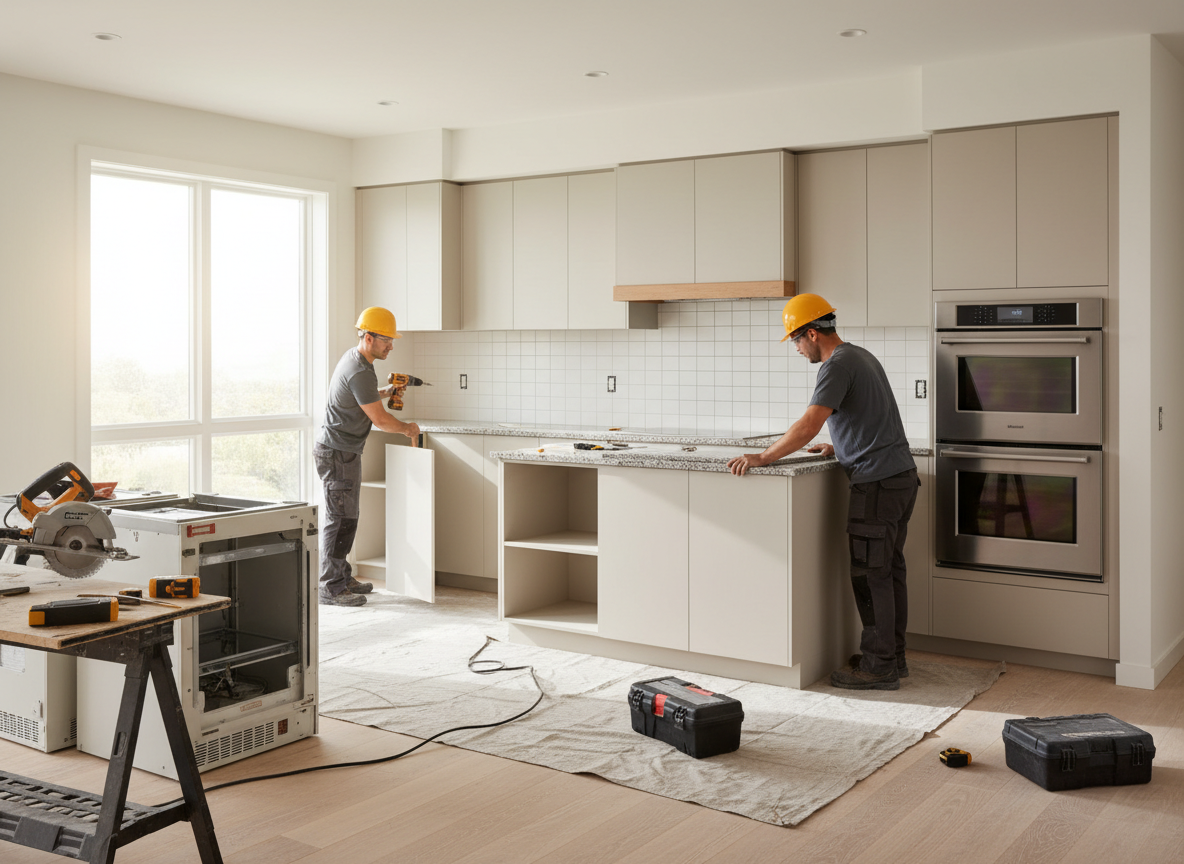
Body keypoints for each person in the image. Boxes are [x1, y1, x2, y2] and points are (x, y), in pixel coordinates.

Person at [727, 294, 918, 690]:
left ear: (812, 333)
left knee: (871, 576)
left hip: (877, 483)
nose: (797, 349)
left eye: (796, 340)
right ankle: (891, 656)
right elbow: (873, 418)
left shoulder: (836, 365)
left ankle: (879, 666)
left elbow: (809, 424)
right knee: (889, 572)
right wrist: (841, 446)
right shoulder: (860, 356)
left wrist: (763, 457)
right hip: (899, 478)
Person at [315, 307, 420, 607]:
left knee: (347, 517)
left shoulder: (357, 359)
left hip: (342, 451)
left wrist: (386, 391)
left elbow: (360, 397)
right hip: (338, 452)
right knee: (340, 520)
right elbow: (381, 420)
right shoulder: (360, 370)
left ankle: (341, 576)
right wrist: (408, 428)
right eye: (387, 340)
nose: (391, 346)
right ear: (369, 338)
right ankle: (330, 587)